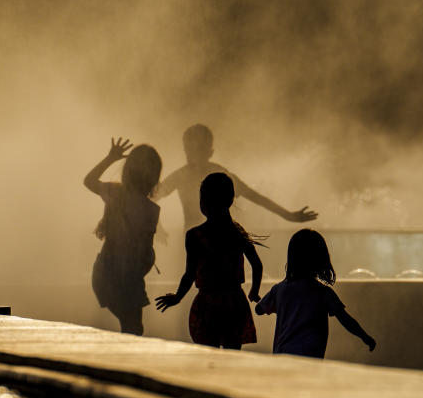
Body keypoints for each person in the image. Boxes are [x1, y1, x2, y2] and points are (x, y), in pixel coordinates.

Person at [155, 172, 263, 349]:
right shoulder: (237, 233)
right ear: (229, 200)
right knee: (231, 356)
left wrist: (178, 297)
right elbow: (257, 265)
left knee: (207, 355)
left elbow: (189, 274)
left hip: (208, 304)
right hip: (234, 302)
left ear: (203, 202)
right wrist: (254, 291)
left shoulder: (195, 236)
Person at [154, 124, 318, 232]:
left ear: (209, 151)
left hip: (221, 243)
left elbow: (256, 197)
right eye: (188, 149)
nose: (192, 155)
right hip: (192, 243)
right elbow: (153, 197)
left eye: (197, 149)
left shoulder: (221, 174)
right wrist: (157, 226)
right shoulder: (181, 175)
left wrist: (288, 215)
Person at [255, 228, 376, 358]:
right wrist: (365, 337)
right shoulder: (323, 293)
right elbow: (345, 319)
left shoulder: (279, 290)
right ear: (321, 260)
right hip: (310, 356)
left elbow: (259, 309)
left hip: (282, 355)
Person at [84, 137, 162, 335]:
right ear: (154, 178)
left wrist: (110, 159)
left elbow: (89, 181)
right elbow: (144, 251)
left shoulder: (116, 193)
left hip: (108, 272)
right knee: (133, 327)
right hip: (123, 276)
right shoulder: (149, 209)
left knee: (132, 326)